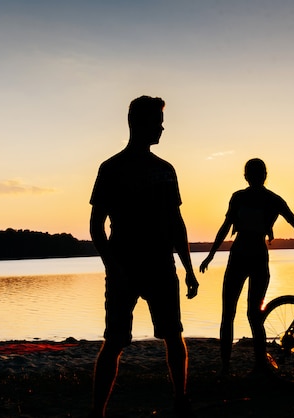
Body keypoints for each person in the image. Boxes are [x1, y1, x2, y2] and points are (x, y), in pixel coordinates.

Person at [88, 96, 199, 418]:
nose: (162, 127)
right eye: (157, 121)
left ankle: (180, 401)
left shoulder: (166, 170)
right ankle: (98, 412)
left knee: (174, 335)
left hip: (162, 265)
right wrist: (113, 267)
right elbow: (96, 225)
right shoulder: (111, 168)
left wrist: (189, 269)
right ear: (139, 123)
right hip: (124, 266)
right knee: (114, 340)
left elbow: (177, 224)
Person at [199, 158, 294, 374]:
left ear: (258, 175)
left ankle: (256, 366)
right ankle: (228, 367)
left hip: (254, 257)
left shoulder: (270, 199)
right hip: (243, 257)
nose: (255, 177)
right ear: (254, 176)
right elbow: (225, 227)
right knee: (233, 313)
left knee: (250, 314)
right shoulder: (242, 198)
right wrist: (210, 255)